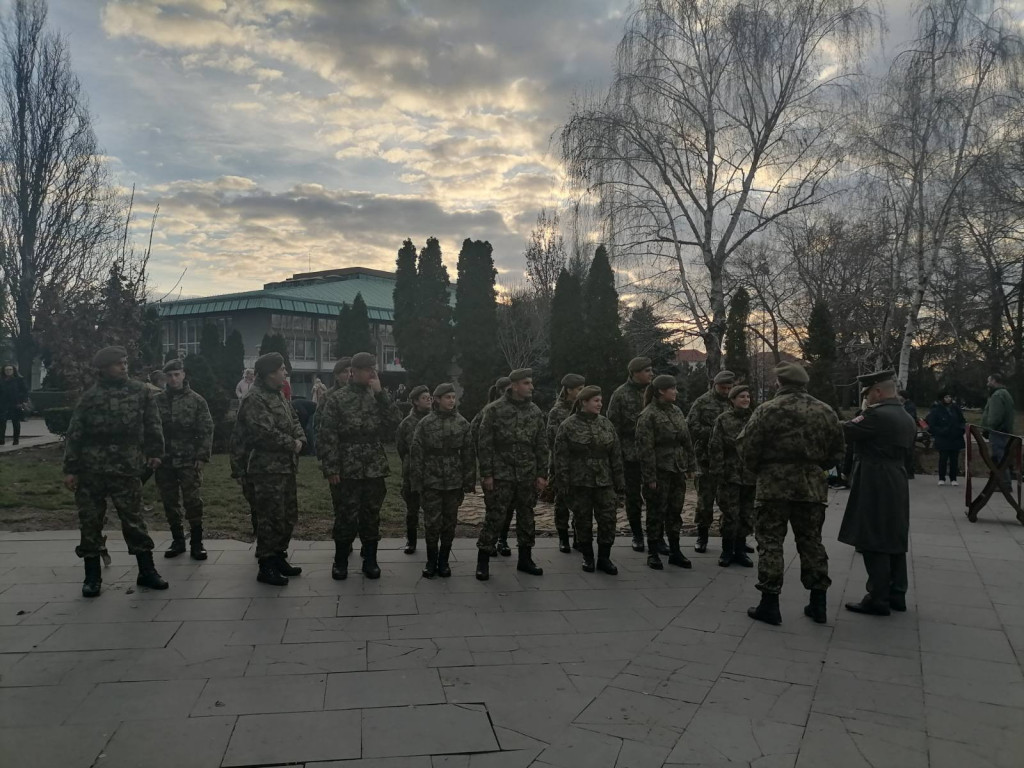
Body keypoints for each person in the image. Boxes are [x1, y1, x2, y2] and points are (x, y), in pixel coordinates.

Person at [739, 361, 844, 626]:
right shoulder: (825, 411)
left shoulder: (767, 409)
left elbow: (748, 448)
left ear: (779, 383)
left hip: (773, 486)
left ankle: (770, 604)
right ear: (804, 384)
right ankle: (818, 603)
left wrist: (760, 470)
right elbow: (837, 452)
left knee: (770, 542)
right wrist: (814, 467)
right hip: (810, 487)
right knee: (811, 541)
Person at [63, 346, 168, 597]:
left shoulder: (140, 392)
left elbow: (153, 424)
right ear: (103, 368)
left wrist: (155, 453)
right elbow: (75, 434)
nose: (124, 366)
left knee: (133, 521)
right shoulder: (90, 397)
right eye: (118, 363)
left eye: (125, 362)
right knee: (90, 522)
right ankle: (92, 576)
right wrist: (70, 469)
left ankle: (147, 571)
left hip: (126, 468)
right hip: (92, 470)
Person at [317, 352, 401, 581]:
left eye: (374, 368)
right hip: (347, 465)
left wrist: (381, 394)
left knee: (371, 514)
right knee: (346, 515)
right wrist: (331, 468)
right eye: (367, 369)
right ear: (354, 372)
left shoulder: (377, 396)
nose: (373, 373)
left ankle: (370, 560)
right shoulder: (337, 398)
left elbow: (395, 422)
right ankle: (340, 561)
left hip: (373, 465)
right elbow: (327, 435)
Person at [840, 370, 917, 617]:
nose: (867, 399)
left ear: (877, 392)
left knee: (873, 536)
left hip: (875, 478)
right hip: (896, 477)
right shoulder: (905, 415)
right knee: (894, 536)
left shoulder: (876, 415)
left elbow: (845, 430)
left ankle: (877, 597)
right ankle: (897, 593)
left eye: (867, 394)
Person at [229, 352, 306, 586]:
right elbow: (263, 433)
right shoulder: (255, 398)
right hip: (265, 469)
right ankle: (266, 565)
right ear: (270, 373)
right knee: (269, 518)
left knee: (287, 515)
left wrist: (300, 437)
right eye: (282, 369)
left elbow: (294, 419)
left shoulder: (279, 394)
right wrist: (292, 444)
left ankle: (279, 556)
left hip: (284, 467)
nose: (285, 372)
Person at [475, 368, 548, 580]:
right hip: (501, 474)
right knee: (495, 518)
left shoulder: (535, 411)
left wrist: (542, 474)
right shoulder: (495, 410)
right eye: (526, 383)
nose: (531, 387)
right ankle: (483, 560)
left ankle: (525, 559)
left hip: (526, 474)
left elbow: (541, 445)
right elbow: (485, 444)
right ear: (514, 385)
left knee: (527, 517)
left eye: (531, 383)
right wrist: (487, 474)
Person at [554, 385, 624, 574]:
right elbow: (561, 458)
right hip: (580, 483)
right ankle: (588, 557)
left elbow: (616, 455)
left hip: (604, 482)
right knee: (583, 521)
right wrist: (563, 483)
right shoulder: (568, 425)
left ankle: (604, 558)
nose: (600, 404)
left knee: (608, 520)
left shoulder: (606, 424)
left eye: (601, 400)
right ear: (583, 402)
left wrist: (619, 482)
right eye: (596, 401)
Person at [410, 383, 475, 578]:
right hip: (432, 480)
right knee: (432, 523)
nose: (452, 401)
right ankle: (431, 561)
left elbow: (469, 454)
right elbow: (417, 453)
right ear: (437, 400)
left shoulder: (462, 423)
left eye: (453, 397)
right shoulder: (425, 423)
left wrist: (469, 481)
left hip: (454, 482)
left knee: (449, 522)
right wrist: (417, 482)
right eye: (447, 397)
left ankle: (444, 561)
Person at [155, 359, 214, 561]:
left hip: (189, 459)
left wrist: (202, 456)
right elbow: (150, 430)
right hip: (164, 461)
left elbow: (206, 429)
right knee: (170, 502)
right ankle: (178, 541)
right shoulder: (157, 401)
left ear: (184, 374)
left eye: (176, 374)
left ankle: (197, 543)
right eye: (169, 375)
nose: (173, 379)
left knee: (192, 501)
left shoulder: (197, 400)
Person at [636, 375, 695, 570]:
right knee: (655, 512)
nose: (676, 392)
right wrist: (649, 477)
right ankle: (653, 552)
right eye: (673, 388)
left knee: (675, 511)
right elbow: (645, 449)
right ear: (662, 391)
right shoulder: (648, 415)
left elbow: (686, 440)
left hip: (676, 469)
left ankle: (675, 551)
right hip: (659, 471)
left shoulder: (676, 411)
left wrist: (690, 466)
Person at [608, 357, 657, 552]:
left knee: (655, 496)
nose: (651, 374)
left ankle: (656, 536)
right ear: (635, 373)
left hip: (652, 454)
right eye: (647, 370)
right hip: (630, 456)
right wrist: (616, 457)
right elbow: (613, 428)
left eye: (651, 370)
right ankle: (637, 534)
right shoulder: (620, 395)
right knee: (633, 498)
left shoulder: (654, 393)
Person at [687, 370, 737, 553]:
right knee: (705, 500)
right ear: (715, 385)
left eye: (729, 388)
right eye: (722, 387)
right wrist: (714, 434)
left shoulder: (736, 401)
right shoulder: (702, 402)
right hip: (706, 459)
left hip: (730, 460)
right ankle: (702, 535)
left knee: (731, 502)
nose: (725, 391)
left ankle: (733, 539)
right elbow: (691, 425)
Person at [708, 384, 756, 568]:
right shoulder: (723, 420)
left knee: (746, 514)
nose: (746, 400)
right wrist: (718, 473)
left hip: (750, 475)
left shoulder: (754, 419)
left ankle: (740, 551)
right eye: (741, 397)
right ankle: (727, 551)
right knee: (730, 515)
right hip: (730, 475)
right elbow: (716, 447)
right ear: (733, 400)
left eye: (748, 397)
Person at [471, 376, 513, 557]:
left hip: (512, 469)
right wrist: (484, 458)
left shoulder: (514, 411)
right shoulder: (487, 412)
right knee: (494, 509)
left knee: (509, 507)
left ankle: (502, 540)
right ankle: (492, 541)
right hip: (494, 469)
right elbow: (473, 433)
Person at [547, 373, 586, 553]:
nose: (582, 391)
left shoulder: (584, 409)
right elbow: (552, 440)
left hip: (581, 464)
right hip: (561, 463)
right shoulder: (557, 412)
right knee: (562, 502)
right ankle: (563, 538)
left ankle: (579, 536)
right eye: (579, 389)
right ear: (569, 390)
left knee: (581, 502)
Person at [396, 385, 432, 555]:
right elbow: (401, 448)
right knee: (412, 509)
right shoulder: (407, 423)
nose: (429, 399)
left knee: (432, 510)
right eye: (424, 397)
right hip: (412, 472)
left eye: (429, 396)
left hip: (432, 471)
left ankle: (433, 541)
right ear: (415, 402)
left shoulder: (435, 420)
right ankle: (411, 540)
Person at [981, 372, 1016, 482]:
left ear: (994, 381)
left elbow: (995, 416)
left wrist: (988, 428)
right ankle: (1003, 481)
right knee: (1002, 457)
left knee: (999, 458)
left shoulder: (997, 395)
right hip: (1004, 431)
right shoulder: (1006, 393)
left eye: (989, 381)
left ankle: (1004, 483)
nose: (987, 384)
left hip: (997, 432)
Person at [926, 392, 966, 486]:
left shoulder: (955, 408)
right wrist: (941, 431)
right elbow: (932, 425)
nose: (948, 399)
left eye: (950, 397)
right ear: (942, 398)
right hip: (943, 438)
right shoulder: (936, 410)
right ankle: (941, 478)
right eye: (946, 397)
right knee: (943, 458)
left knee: (954, 459)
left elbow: (962, 421)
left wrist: (960, 430)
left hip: (955, 437)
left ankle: (953, 478)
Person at [0, 363, 29, 446]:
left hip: (16, 404)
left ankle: (16, 439)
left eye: (10, 369)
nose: (8, 371)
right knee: (2, 422)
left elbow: (25, 391)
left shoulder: (19, 380)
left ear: (13, 370)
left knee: (15, 422)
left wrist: (23, 401)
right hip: (3, 404)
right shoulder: (1, 380)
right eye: (6, 370)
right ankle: (1, 439)